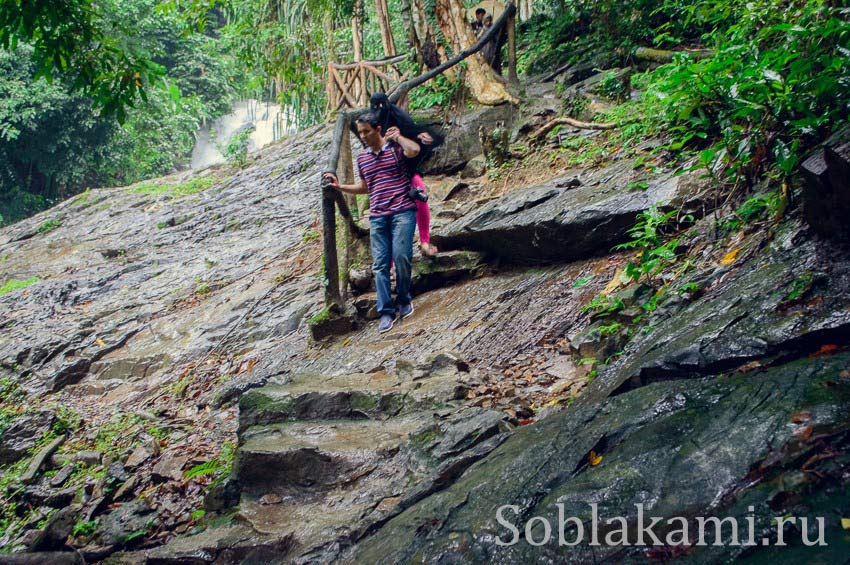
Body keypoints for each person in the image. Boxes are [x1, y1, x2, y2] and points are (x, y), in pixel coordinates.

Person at [324, 113, 420, 333]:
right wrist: (341, 187)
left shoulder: (396, 149)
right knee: (379, 265)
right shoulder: (363, 158)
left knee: (402, 256)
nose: (363, 136)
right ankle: (386, 311)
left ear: (377, 129)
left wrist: (397, 138)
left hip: (403, 211)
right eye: (361, 132)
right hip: (377, 216)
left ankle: (404, 298)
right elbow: (365, 187)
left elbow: (414, 150)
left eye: (367, 131)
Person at [369, 92, 443, 256]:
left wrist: (417, 136)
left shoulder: (398, 116)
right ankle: (391, 264)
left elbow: (412, 132)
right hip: (385, 177)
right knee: (390, 220)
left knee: (420, 195)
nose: (379, 109)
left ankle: (424, 242)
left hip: (405, 170)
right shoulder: (370, 125)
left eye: (381, 105)